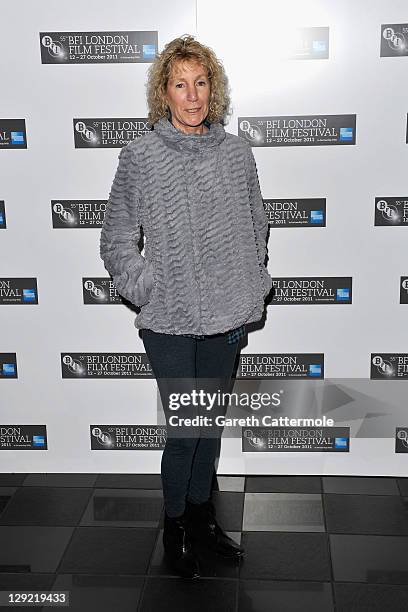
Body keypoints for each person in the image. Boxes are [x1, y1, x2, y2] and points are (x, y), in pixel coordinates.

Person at [100, 34, 273, 579]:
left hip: (226, 317)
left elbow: (257, 223)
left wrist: (250, 280)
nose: (193, 96)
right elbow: (116, 238)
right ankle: (174, 527)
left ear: (212, 89)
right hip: (169, 323)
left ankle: (202, 520)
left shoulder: (236, 152)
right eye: (181, 84)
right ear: (165, 93)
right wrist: (148, 287)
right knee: (184, 430)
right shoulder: (141, 156)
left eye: (201, 83)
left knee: (209, 425)